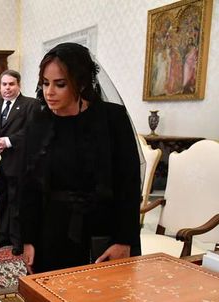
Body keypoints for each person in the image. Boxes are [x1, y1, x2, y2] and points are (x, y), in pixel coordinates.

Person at [20, 42, 141, 274]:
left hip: (102, 231)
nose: (49, 92)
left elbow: (128, 184)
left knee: (102, 301)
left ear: (81, 83)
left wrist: (124, 240)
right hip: (51, 230)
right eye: (45, 83)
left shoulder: (112, 120)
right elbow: (29, 187)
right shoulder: (39, 122)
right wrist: (28, 240)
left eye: (60, 84)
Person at [0, 70, 39, 256]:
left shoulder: (31, 105)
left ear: (19, 85)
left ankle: (18, 240)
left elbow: (33, 132)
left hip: (19, 161)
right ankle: (1, 236)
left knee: (16, 203)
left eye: (11, 84)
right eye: (4, 84)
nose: (7, 88)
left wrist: (7, 141)